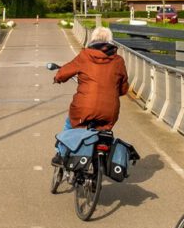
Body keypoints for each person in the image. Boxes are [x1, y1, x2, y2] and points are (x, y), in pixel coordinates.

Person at [50, 25, 129, 163]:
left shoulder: (85, 55)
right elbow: (123, 88)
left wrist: (58, 78)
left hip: (84, 108)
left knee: (70, 125)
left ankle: (61, 155)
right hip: (109, 111)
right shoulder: (119, 61)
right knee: (103, 133)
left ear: (92, 40)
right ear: (111, 41)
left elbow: (64, 72)